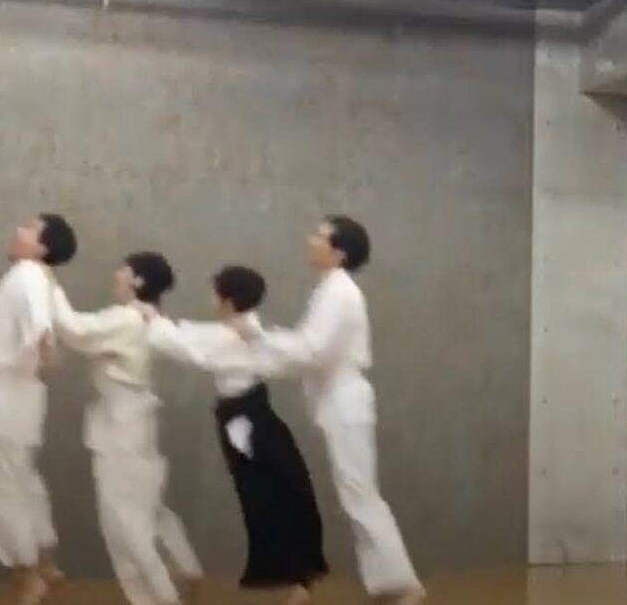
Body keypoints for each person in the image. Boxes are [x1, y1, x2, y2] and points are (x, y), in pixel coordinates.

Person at [241, 216, 424, 605]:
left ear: (339, 253)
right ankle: (390, 583)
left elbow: (311, 350)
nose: (310, 240)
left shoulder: (340, 293)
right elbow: (307, 351)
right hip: (337, 400)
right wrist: (261, 347)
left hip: (345, 401)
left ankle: (404, 584)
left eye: (319, 236)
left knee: (359, 493)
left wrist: (259, 337)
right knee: (356, 493)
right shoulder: (330, 290)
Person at [140, 265, 327, 605]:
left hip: (247, 420)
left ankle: (300, 575)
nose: (209, 297)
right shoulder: (240, 329)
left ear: (227, 300)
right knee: (278, 493)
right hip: (251, 416)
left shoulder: (237, 335)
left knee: (271, 496)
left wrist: (153, 319)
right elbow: (192, 335)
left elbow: (184, 346)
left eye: (214, 291)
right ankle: (299, 575)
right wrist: (159, 320)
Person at [51, 252, 202, 605]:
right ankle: (183, 569)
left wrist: (50, 286)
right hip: (134, 423)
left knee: (123, 521)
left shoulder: (127, 318)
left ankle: (160, 598)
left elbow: (75, 330)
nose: (116, 274)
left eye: (124, 269)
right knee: (147, 508)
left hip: (121, 429)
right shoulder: (145, 318)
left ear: (138, 281)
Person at [0, 214, 77, 605]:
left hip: (5, 396)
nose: (18, 231)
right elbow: (64, 327)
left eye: (28, 228)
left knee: (3, 486)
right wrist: (41, 359)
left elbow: (41, 329)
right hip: (19, 397)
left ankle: (27, 574)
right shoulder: (45, 279)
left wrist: (34, 358)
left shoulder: (27, 274)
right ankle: (44, 562)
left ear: (42, 246)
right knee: (23, 480)